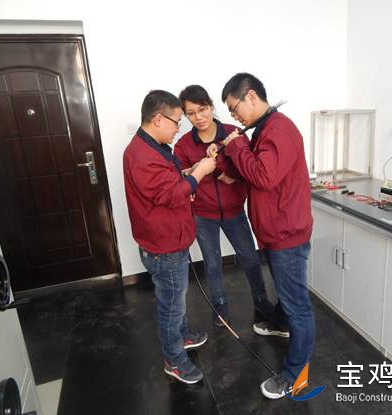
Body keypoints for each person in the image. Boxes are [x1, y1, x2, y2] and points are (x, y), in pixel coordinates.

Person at [214, 73, 315, 399]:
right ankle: (280, 324)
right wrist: (229, 160)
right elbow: (255, 170)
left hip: (287, 234)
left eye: (235, 109)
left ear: (251, 96)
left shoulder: (279, 129)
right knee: (286, 291)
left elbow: (264, 175)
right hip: (274, 231)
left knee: (298, 306)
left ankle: (295, 374)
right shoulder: (265, 128)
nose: (235, 117)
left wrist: (236, 143)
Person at [123, 90, 217, 384]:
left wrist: (189, 170)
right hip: (164, 247)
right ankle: (174, 360)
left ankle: (183, 335)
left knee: (177, 297)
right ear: (158, 119)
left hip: (171, 240)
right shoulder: (142, 156)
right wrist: (200, 174)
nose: (179, 128)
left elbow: (167, 182)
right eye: (177, 122)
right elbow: (170, 195)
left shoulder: (154, 146)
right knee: (171, 306)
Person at [174, 85, 275, 327]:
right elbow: (182, 180)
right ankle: (219, 306)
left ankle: (261, 300)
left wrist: (231, 172)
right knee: (212, 263)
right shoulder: (183, 145)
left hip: (234, 211)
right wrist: (194, 171)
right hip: (203, 215)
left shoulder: (233, 133)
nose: (198, 117)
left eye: (202, 109)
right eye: (191, 113)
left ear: (211, 106)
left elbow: (252, 168)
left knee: (250, 258)